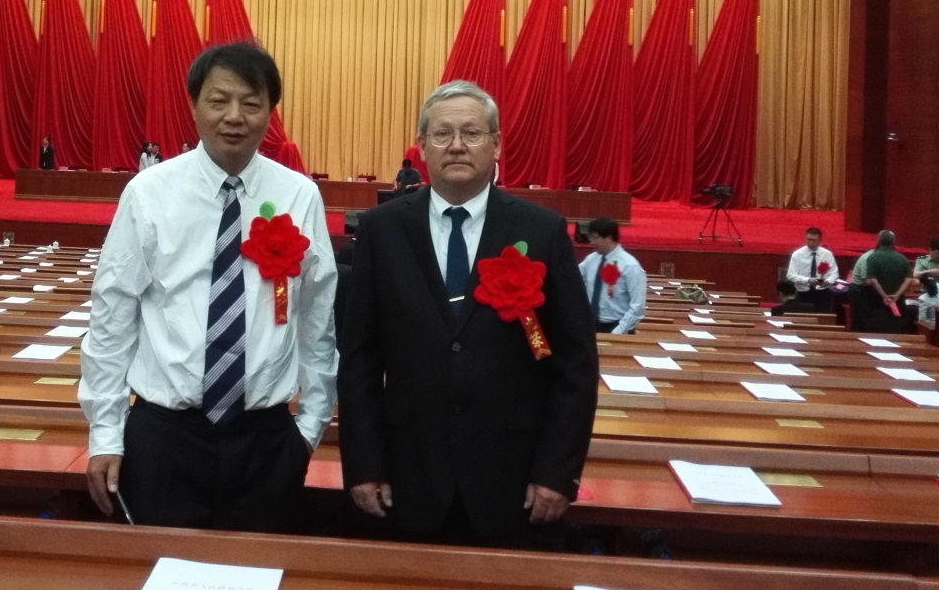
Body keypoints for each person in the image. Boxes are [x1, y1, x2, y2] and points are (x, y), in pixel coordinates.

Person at [79, 42, 337, 532]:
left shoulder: (300, 196)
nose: (234, 117)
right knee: (159, 588)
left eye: (251, 103)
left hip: (267, 441)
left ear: (270, 112)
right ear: (194, 105)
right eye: (219, 101)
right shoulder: (149, 192)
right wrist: (106, 434)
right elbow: (111, 319)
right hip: (164, 437)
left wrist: (309, 430)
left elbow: (318, 321)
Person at [337, 80, 598, 544]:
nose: (457, 145)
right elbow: (359, 358)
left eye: (472, 133)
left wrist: (558, 472)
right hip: (406, 476)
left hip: (515, 479)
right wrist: (363, 464)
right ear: (421, 147)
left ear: (496, 145)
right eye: (442, 134)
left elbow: (575, 365)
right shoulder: (381, 230)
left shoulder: (542, 230)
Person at [853, 230, 912, 332]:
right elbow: (908, 279)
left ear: (878, 241)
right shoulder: (903, 259)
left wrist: (885, 297)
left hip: (876, 301)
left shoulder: (872, 257)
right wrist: (896, 296)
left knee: (877, 328)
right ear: (893, 242)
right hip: (897, 301)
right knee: (896, 327)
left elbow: (873, 280)